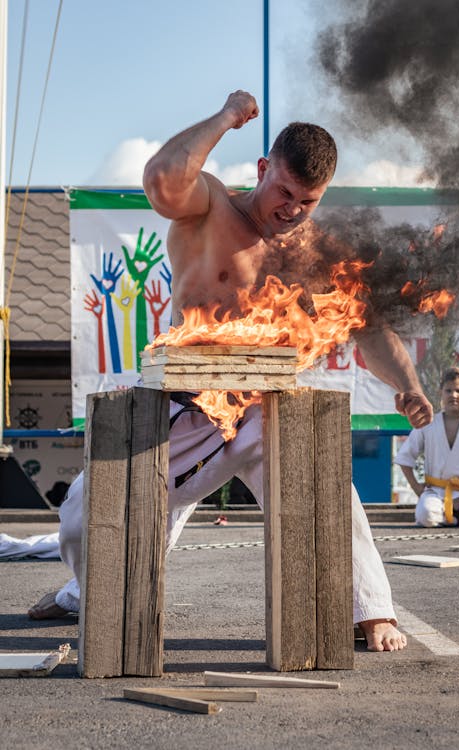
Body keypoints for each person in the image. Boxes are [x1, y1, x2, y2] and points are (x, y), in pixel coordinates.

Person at [29, 90, 434, 652]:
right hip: (184, 410)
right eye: (285, 191)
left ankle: (369, 613)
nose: (292, 209)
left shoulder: (316, 252)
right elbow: (160, 179)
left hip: (259, 410)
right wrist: (225, 118)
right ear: (264, 169)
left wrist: (409, 387)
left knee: (327, 486)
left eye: (308, 201)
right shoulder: (209, 208)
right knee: (83, 515)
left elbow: (368, 327)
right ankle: (83, 592)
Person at [395, 366, 459, 527]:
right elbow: (404, 458)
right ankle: (457, 519)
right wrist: (416, 487)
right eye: (448, 391)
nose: (454, 395)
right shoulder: (427, 424)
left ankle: (458, 515)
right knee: (426, 516)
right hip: (437, 489)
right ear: (441, 394)